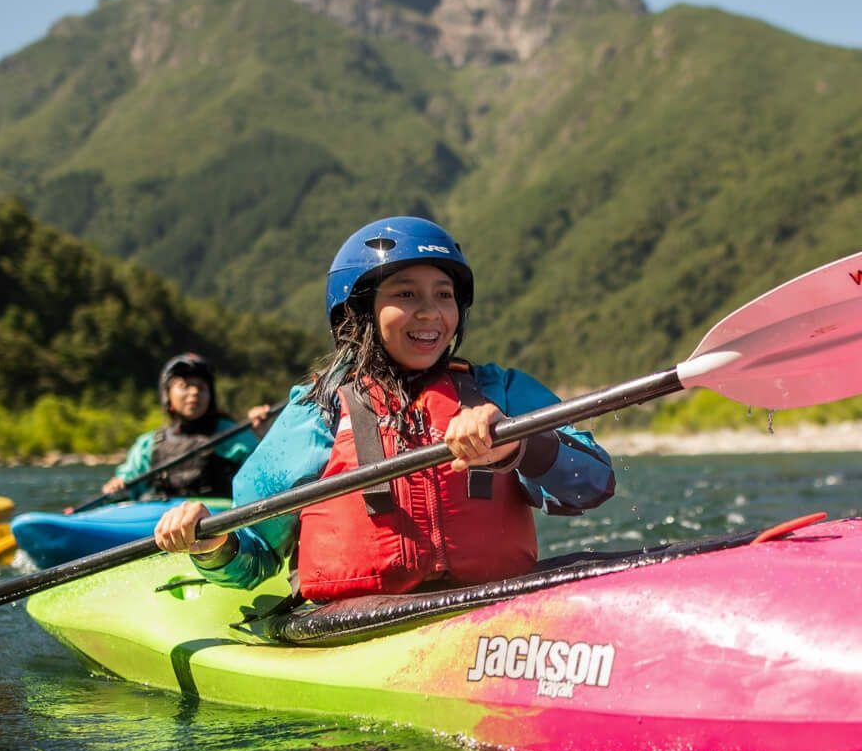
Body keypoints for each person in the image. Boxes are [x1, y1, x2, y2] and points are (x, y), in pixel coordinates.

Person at [152, 216, 615, 600]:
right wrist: (213, 544)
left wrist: (518, 446)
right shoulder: (318, 412)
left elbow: (594, 484)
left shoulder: (502, 392)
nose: (431, 312)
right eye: (406, 294)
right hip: (354, 628)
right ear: (359, 312)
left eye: (444, 294)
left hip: (491, 610)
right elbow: (253, 556)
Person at [101, 353, 265, 502]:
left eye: (201, 387)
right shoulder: (148, 445)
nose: (194, 392)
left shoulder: (234, 435)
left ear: (210, 397)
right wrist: (117, 486)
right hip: (160, 517)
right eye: (184, 386)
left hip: (217, 517)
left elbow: (263, 474)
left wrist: (264, 434)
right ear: (168, 396)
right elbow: (128, 482)